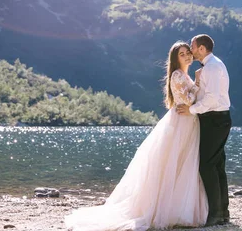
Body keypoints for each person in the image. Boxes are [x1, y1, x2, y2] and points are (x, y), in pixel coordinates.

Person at [65, 41, 207, 230]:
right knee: (174, 164)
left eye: (188, 53)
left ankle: (179, 208)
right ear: (175, 58)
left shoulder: (184, 75)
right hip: (181, 123)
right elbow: (187, 100)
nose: (187, 56)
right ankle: (170, 209)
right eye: (182, 54)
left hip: (187, 122)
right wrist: (198, 84)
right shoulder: (177, 75)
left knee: (182, 165)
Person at [176, 34, 232, 226]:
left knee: (206, 166)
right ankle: (223, 213)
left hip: (215, 120)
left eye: (192, 46)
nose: (190, 50)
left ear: (201, 48)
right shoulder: (211, 66)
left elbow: (212, 99)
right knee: (217, 166)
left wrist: (191, 110)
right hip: (217, 119)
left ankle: (216, 214)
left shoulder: (213, 67)